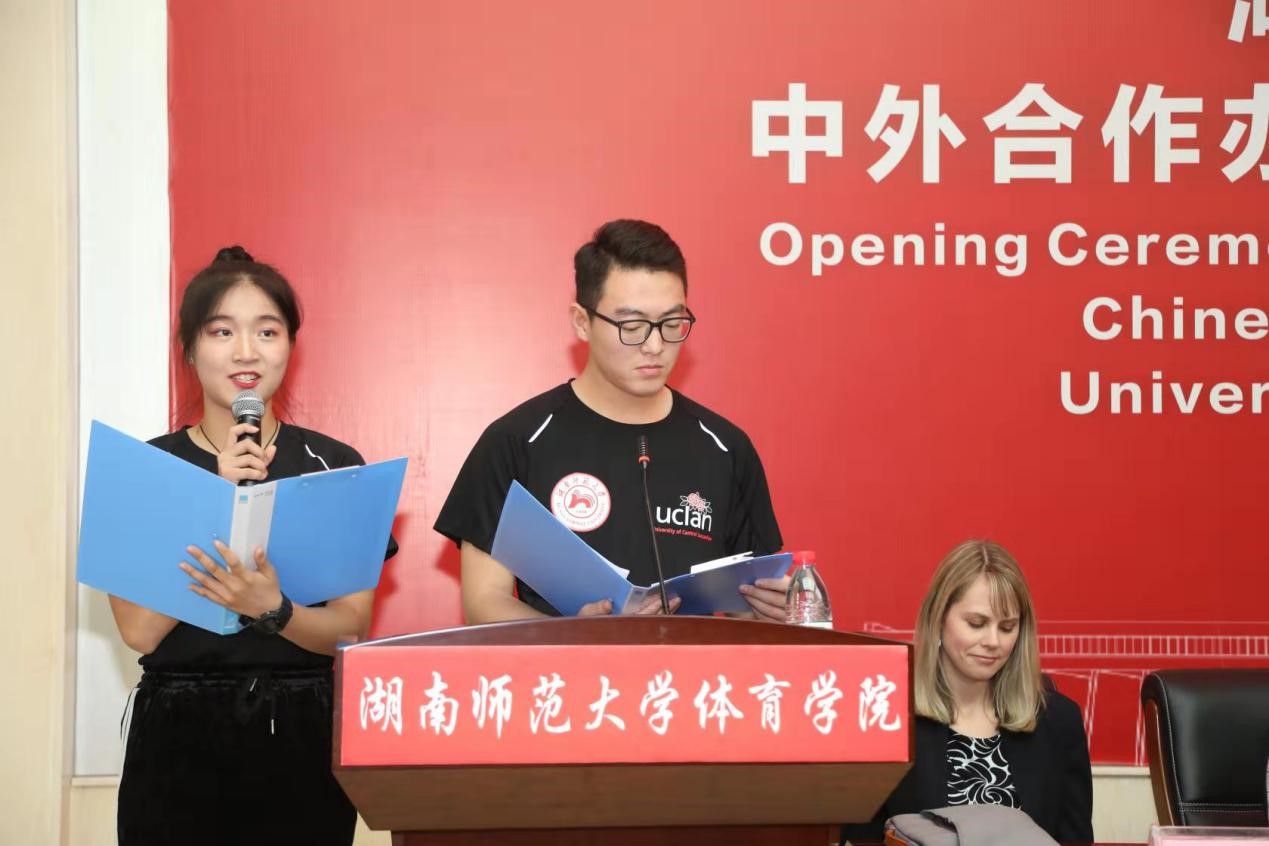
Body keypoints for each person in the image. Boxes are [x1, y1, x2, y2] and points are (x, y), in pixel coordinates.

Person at [109, 246, 397, 846]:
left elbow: (349, 628)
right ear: (190, 349)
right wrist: (217, 504)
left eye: (267, 331)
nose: (246, 352)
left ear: (290, 345)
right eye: (222, 332)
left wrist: (274, 610)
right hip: (177, 731)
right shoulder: (147, 470)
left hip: (299, 727)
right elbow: (140, 631)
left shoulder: (333, 466)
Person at [434, 219, 787, 622]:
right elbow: (483, 603)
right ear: (582, 322)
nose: (655, 345)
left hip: (692, 666)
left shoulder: (725, 448)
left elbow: (746, 611)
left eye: (672, 324)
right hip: (561, 664)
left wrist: (774, 614)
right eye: (632, 326)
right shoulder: (516, 441)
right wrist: (575, 639)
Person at [843, 540, 1093, 843]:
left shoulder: (1059, 720)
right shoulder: (887, 717)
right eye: (977, 623)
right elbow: (861, 836)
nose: (993, 641)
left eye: (1007, 627)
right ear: (939, 619)